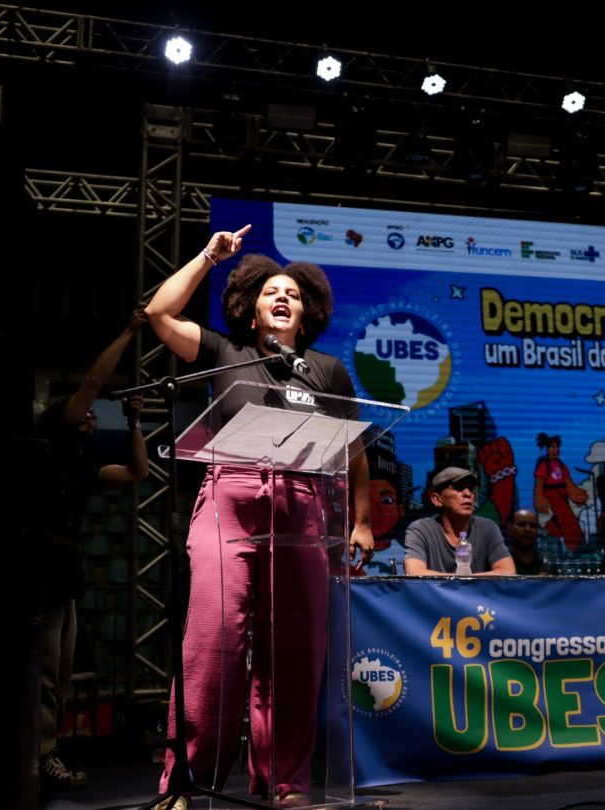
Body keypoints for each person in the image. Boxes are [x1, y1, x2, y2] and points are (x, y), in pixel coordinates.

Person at [145, 225, 373, 806]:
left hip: (304, 511)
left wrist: (362, 520)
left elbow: (354, 452)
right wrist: (207, 257)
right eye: (272, 290)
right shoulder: (228, 351)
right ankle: (190, 782)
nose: (282, 297)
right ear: (251, 310)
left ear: (306, 312)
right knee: (213, 646)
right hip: (231, 500)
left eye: (293, 293)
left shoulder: (327, 370)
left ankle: (287, 782)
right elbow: (160, 314)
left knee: (295, 653)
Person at [36, 310, 149, 797]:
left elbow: (136, 473)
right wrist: (126, 331)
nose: (88, 413)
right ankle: (40, 757)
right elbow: (96, 378)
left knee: (58, 674)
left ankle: (45, 752)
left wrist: (135, 421)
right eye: (82, 409)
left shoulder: (82, 469)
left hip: (65, 574)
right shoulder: (52, 436)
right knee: (42, 670)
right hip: (38, 570)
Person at [404, 467, 516, 575]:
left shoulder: (488, 528)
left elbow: (508, 572)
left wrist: (465, 581)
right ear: (437, 499)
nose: (468, 494)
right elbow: (415, 573)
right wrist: (465, 581)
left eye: (471, 488)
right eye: (458, 488)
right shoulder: (421, 530)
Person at [534, 433, 588, 550]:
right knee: (567, 520)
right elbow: (539, 484)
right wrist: (539, 498)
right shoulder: (544, 465)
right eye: (552, 447)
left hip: (562, 495)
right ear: (547, 449)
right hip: (552, 495)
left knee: (566, 519)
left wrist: (577, 493)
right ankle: (574, 546)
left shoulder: (560, 464)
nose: (555, 450)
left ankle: (552, 529)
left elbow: (569, 483)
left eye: (557, 447)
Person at [505, 508, 546, 575]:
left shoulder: (547, 563)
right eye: (521, 524)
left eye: (533, 526)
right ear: (510, 529)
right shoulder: (501, 562)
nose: (528, 529)